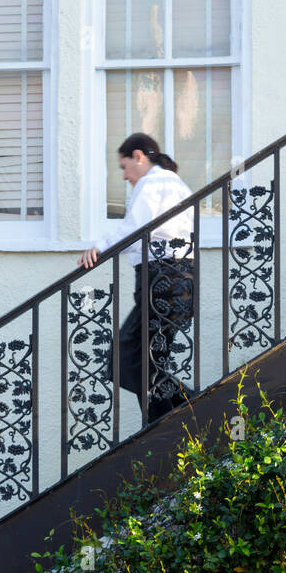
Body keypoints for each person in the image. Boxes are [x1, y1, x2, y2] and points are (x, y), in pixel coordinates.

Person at [78, 133, 195, 422]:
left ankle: (179, 419)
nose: (123, 176)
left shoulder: (153, 182)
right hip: (175, 280)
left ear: (139, 156)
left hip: (163, 280)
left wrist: (100, 247)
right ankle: (189, 414)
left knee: (129, 358)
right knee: (142, 360)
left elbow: (136, 227)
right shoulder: (172, 183)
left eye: (124, 166)